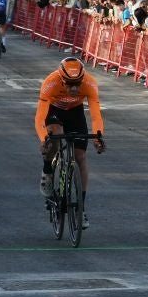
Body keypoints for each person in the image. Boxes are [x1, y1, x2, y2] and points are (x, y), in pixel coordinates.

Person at [35, 56, 106, 226]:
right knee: (55, 137)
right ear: (61, 79)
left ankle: (80, 208)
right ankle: (47, 170)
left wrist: (98, 136)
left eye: (77, 84)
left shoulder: (89, 83)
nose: (74, 88)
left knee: (80, 156)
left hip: (75, 112)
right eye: (69, 84)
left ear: (83, 79)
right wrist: (44, 138)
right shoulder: (50, 83)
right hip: (54, 110)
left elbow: (96, 114)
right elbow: (40, 117)